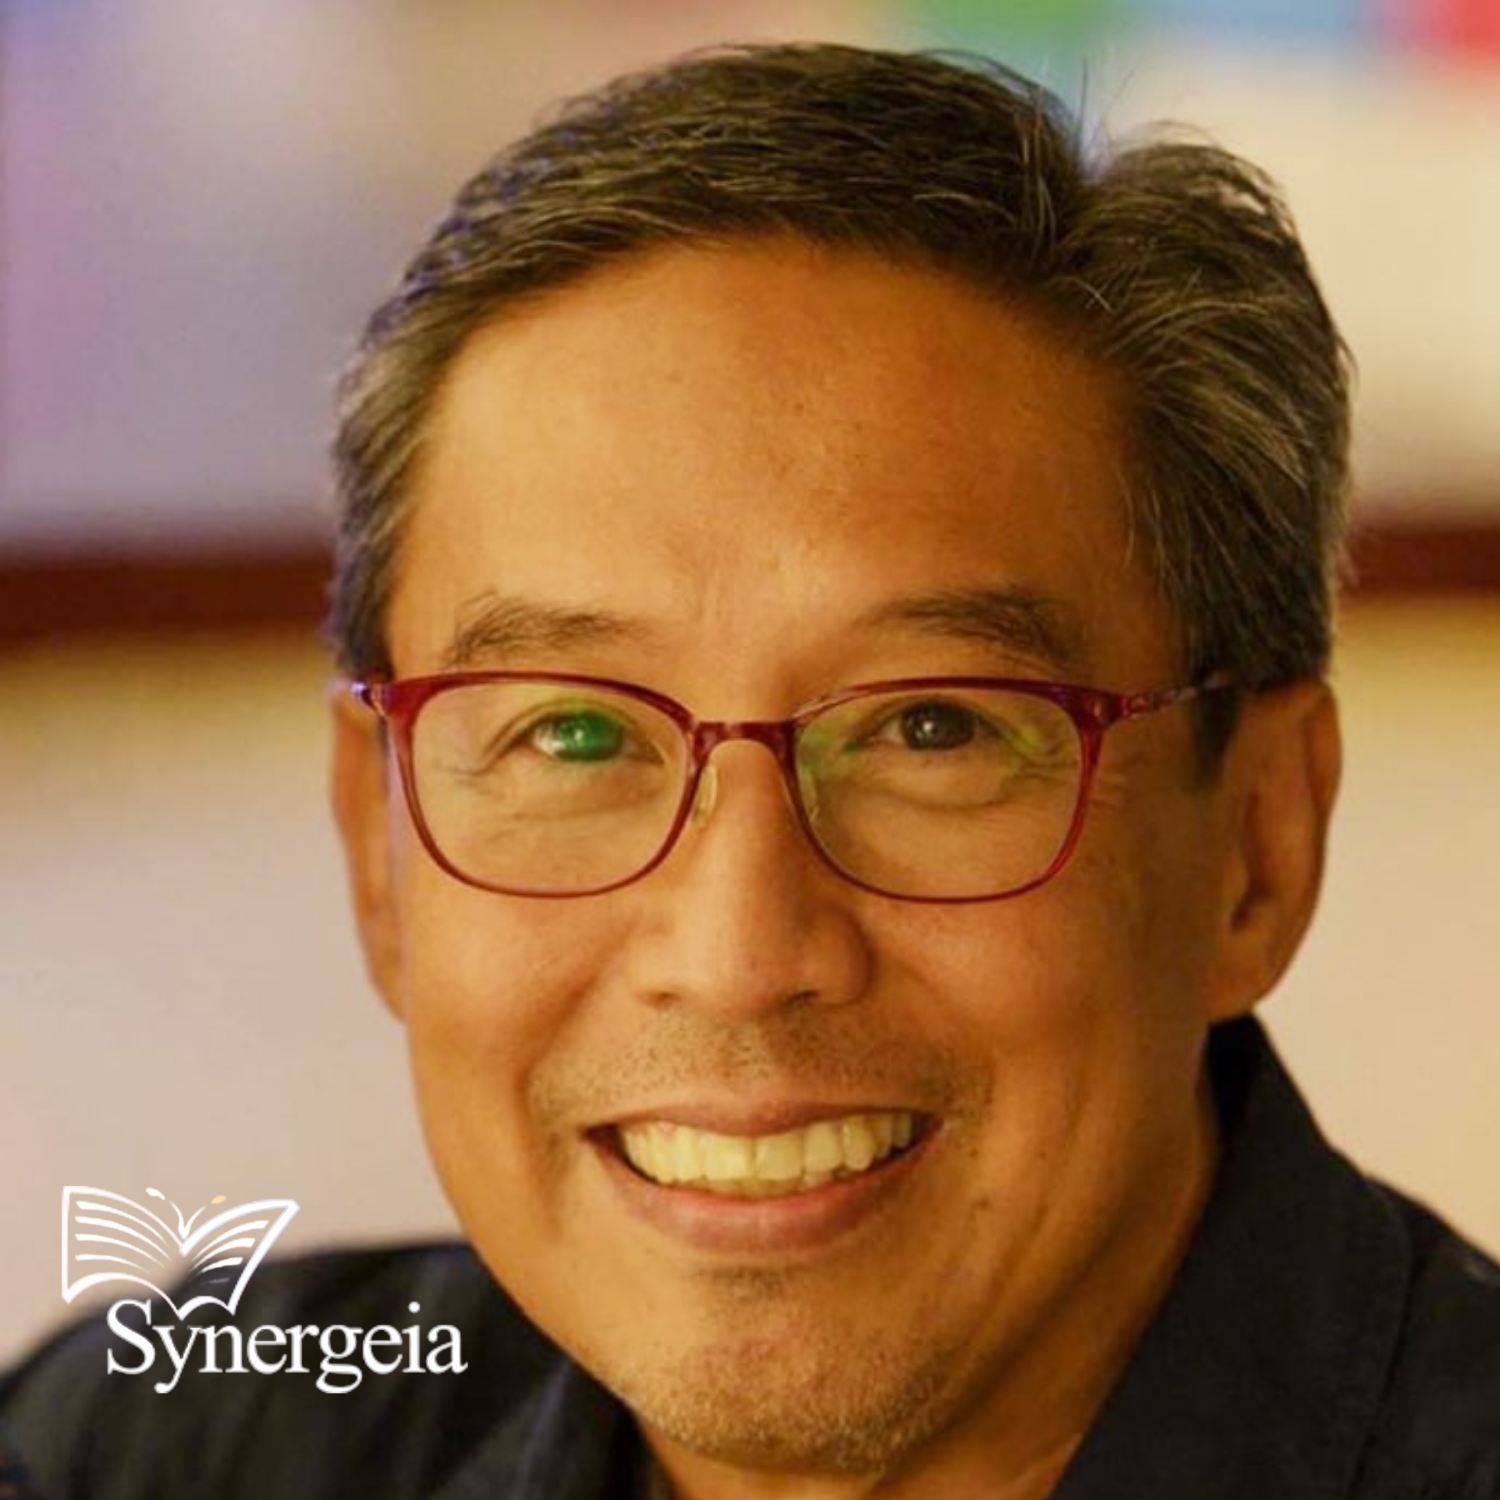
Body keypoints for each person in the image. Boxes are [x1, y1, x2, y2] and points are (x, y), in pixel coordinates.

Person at [4, 40, 1498, 1500]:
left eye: (932, 729)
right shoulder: (147, 1449)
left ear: (1255, 845)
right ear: (377, 848)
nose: (736, 957)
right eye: (573, 734)